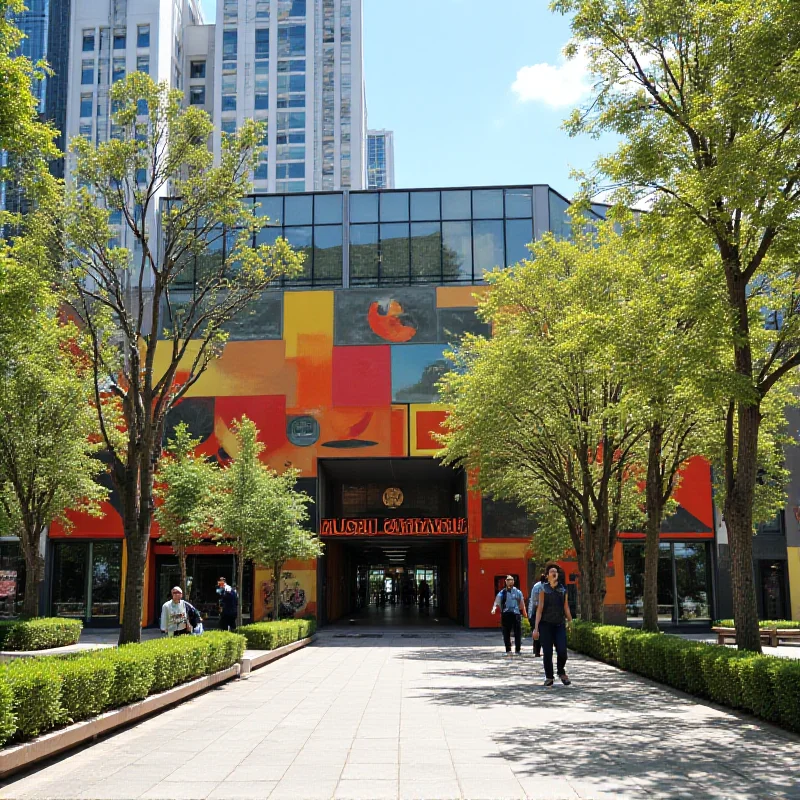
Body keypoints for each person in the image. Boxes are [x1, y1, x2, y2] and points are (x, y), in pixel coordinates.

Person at [532, 563, 573, 686]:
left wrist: (570, 621)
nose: (554, 573)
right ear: (548, 575)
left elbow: (566, 608)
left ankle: (561, 671)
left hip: (559, 624)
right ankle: (549, 677)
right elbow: (539, 609)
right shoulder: (543, 589)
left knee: (562, 651)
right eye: (551, 572)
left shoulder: (563, 590)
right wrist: (536, 628)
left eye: (556, 571)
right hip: (546, 625)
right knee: (548, 652)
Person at [491, 575, 527, 657]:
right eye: (508, 580)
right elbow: (496, 602)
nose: (510, 582)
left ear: (513, 582)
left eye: (511, 580)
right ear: (506, 582)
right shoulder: (502, 592)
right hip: (506, 614)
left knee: (517, 632)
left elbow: (522, 603)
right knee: (506, 632)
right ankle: (508, 649)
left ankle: (518, 650)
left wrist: (524, 613)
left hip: (516, 614)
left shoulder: (518, 592)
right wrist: (494, 609)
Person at [527, 571, 546, 657]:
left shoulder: (538, 586)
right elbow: (535, 602)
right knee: (538, 631)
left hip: (541, 612)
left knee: (540, 632)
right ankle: (537, 651)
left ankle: (538, 650)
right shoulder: (539, 587)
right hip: (536, 612)